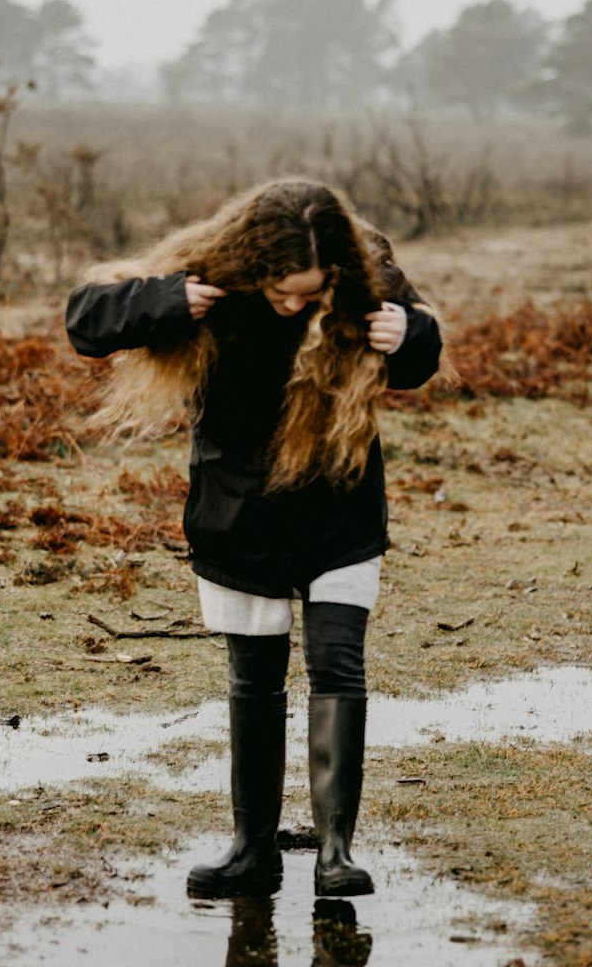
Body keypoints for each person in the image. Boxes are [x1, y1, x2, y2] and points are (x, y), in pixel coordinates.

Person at [65, 178, 443, 899]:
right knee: (254, 678)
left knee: (338, 664)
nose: (297, 303)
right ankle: (252, 851)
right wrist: (167, 301)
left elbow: (419, 360)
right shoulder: (209, 277)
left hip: (340, 510)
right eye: (282, 290)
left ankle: (336, 853)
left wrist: (412, 332)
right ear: (252, 262)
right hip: (239, 514)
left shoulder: (362, 275)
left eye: (312, 290)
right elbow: (85, 321)